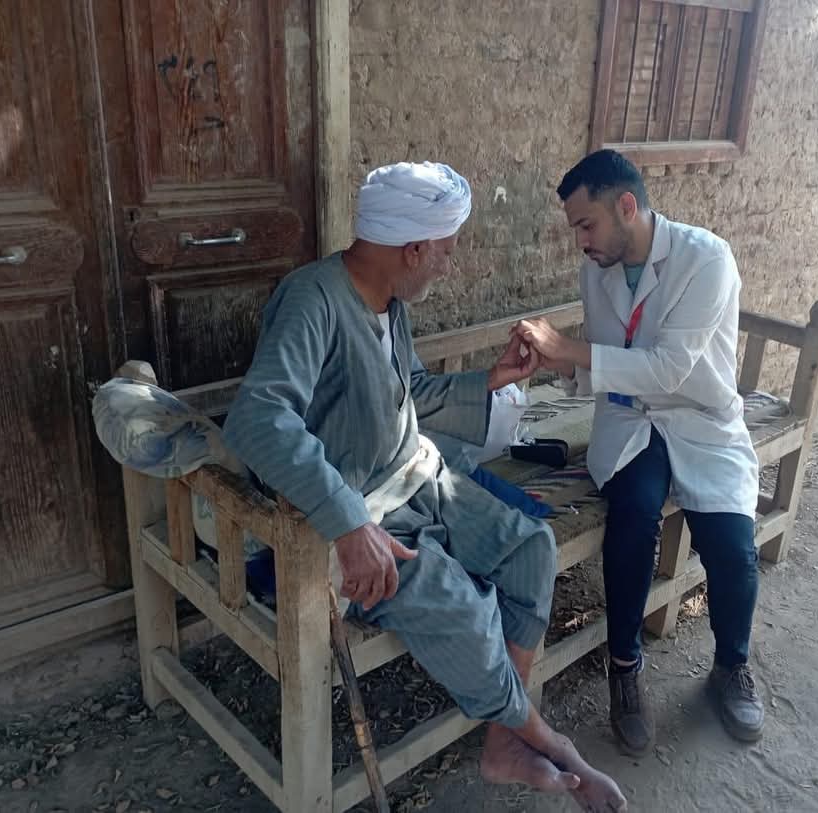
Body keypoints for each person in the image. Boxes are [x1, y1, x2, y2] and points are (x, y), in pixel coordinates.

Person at [223, 161, 627, 811]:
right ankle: (544, 738)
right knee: (466, 610)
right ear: (412, 249)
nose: (447, 265)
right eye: (444, 250)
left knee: (532, 548)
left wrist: (489, 379)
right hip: (354, 509)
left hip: (417, 478)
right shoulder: (312, 300)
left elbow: (407, 393)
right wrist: (349, 522)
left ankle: (502, 740)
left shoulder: (390, 303)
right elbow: (257, 417)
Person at [513, 149, 764, 754]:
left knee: (731, 545)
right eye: (576, 228)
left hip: (699, 418)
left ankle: (731, 665)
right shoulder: (597, 270)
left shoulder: (706, 259)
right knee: (632, 519)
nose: (581, 242)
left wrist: (569, 350)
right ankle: (624, 668)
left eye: (587, 224)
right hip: (631, 419)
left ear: (627, 206)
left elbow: (670, 368)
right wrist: (554, 364)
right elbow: (608, 362)